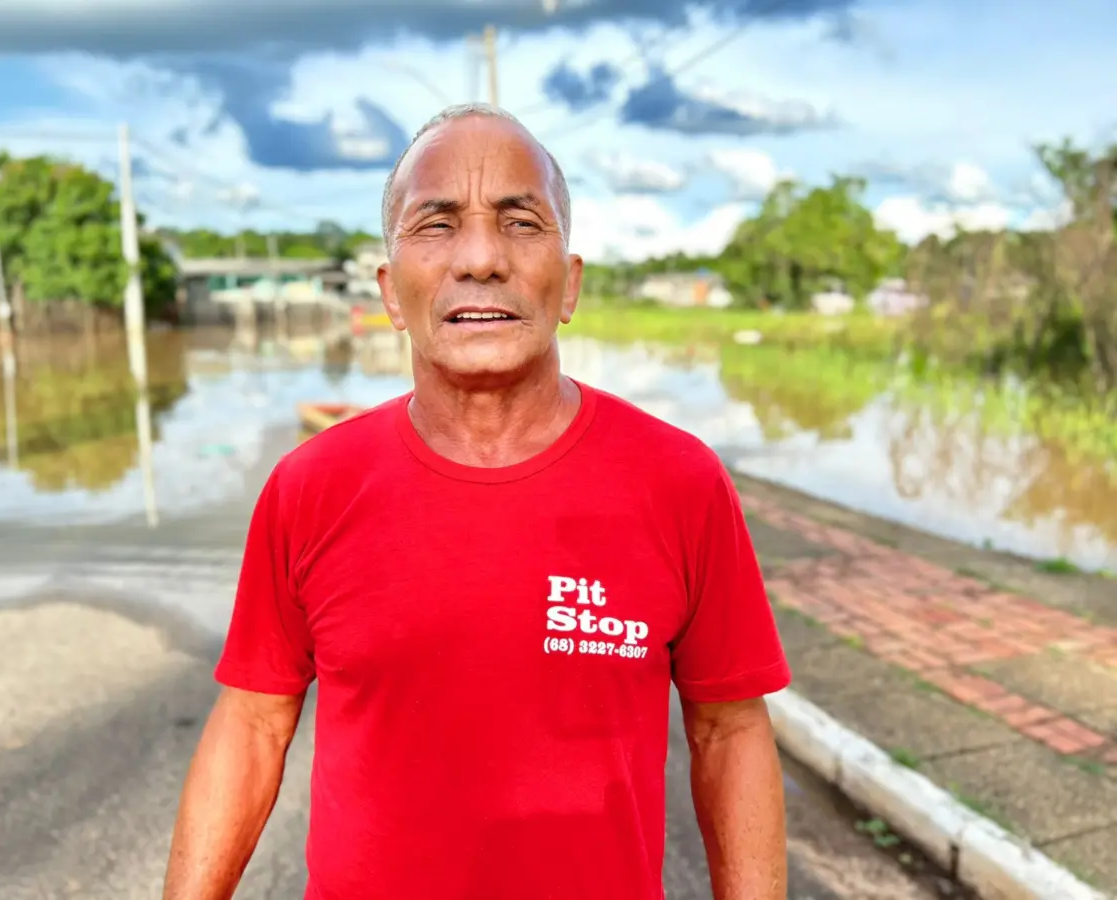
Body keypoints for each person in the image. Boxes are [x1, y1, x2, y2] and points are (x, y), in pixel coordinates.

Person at [162, 103, 791, 900]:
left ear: (569, 282)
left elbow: (729, 731)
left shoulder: (679, 482)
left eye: (521, 221)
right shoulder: (311, 488)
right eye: (438, 223)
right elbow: (253, 724)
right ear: (392, 294)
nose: (482, 258)